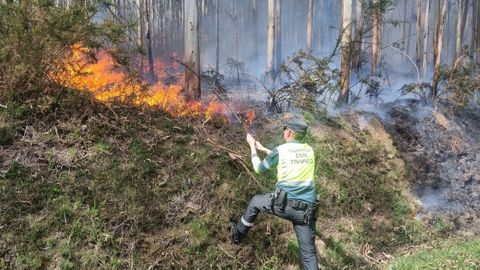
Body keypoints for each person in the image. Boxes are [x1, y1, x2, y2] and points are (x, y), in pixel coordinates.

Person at [231, 118, 319, 270]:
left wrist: (252, 147)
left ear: (289, 133)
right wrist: (264, 149)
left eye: (285, 129)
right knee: (309, 254)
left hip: (285, 205)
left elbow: (259, 168)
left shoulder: (281, 150)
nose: (284, 131)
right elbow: (289, 158)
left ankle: (237, 234)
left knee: (255, 201)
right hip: (307, 211)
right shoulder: (309, 151)